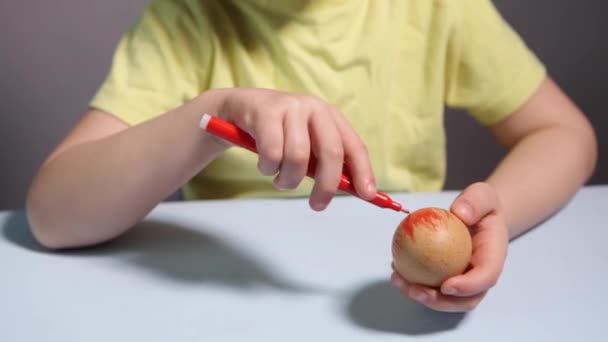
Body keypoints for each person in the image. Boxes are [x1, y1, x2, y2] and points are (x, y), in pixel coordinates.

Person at [25, 0, 597, 312]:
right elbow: (52, 216)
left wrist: (497, 213)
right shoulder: (185, 21)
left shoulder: (438, 9)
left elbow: (564, 133)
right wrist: (213, 112)